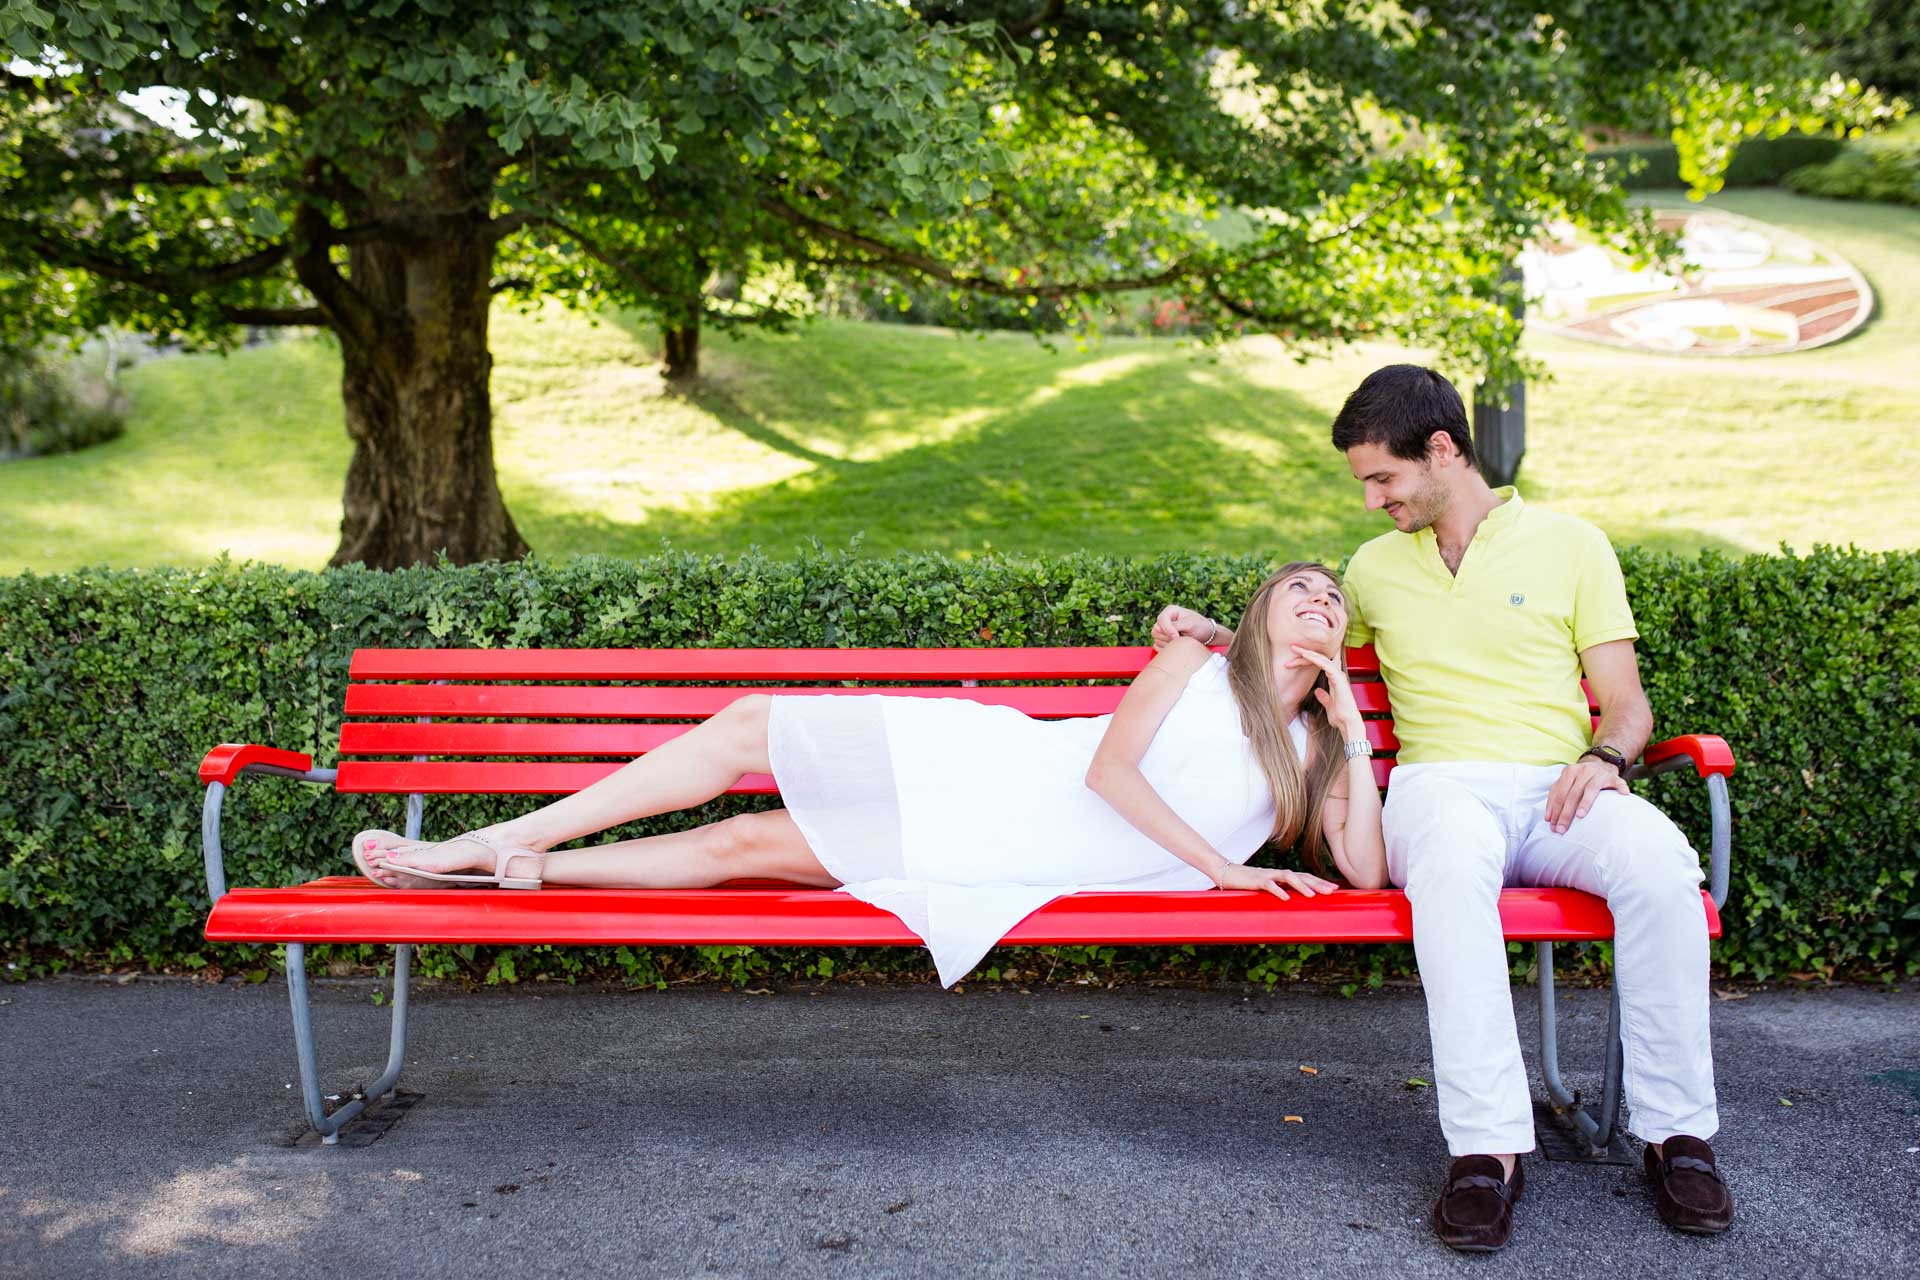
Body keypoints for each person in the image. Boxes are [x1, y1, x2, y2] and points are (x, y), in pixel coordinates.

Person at [1154, 365, 1731, 1250]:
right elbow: (1301, 655)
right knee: (1453, 875)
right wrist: (1213, 635)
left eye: (1382, 478)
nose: (1372, 499)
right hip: (1441, 786)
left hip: (1559, 789)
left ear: (1443, 449)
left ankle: (1677, 1136)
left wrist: (1605, 755)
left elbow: (1627, 701)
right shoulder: (1374, 567)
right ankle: (1489, 1151)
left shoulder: (1572, 543)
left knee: (1662, 869)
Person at [353, 562, 1388, 987]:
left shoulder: (1324, 749)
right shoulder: (1196, 665)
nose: (1321, 601)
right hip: (1009, 771)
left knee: (745, 846)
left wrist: (1357, 742)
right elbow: (1111, 769)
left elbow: (1371, 876)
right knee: (751, 724)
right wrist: (1227, 868)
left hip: (1048, 853)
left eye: (1334, 599)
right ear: (1257, 615)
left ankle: (519, 870)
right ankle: (493, 841)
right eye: (1298, 589)